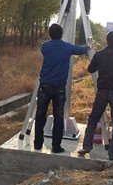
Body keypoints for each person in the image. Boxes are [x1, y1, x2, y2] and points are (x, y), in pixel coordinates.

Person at [34, 23, 90, 153]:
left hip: (45, 86)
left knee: (40, 115)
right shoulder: (67, 48)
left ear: (50, 34)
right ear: (62, 33)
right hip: (59, 88)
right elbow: (81, 50)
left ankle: (37, 144)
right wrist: (89, 46)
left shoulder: (45, 47)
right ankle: (56, 146)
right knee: (58, 117)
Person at [78, 31, 113, 160]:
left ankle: (87, 146)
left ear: (107, 41)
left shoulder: (99, 55)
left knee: (93, 119)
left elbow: (91, 69)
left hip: (102, 92)